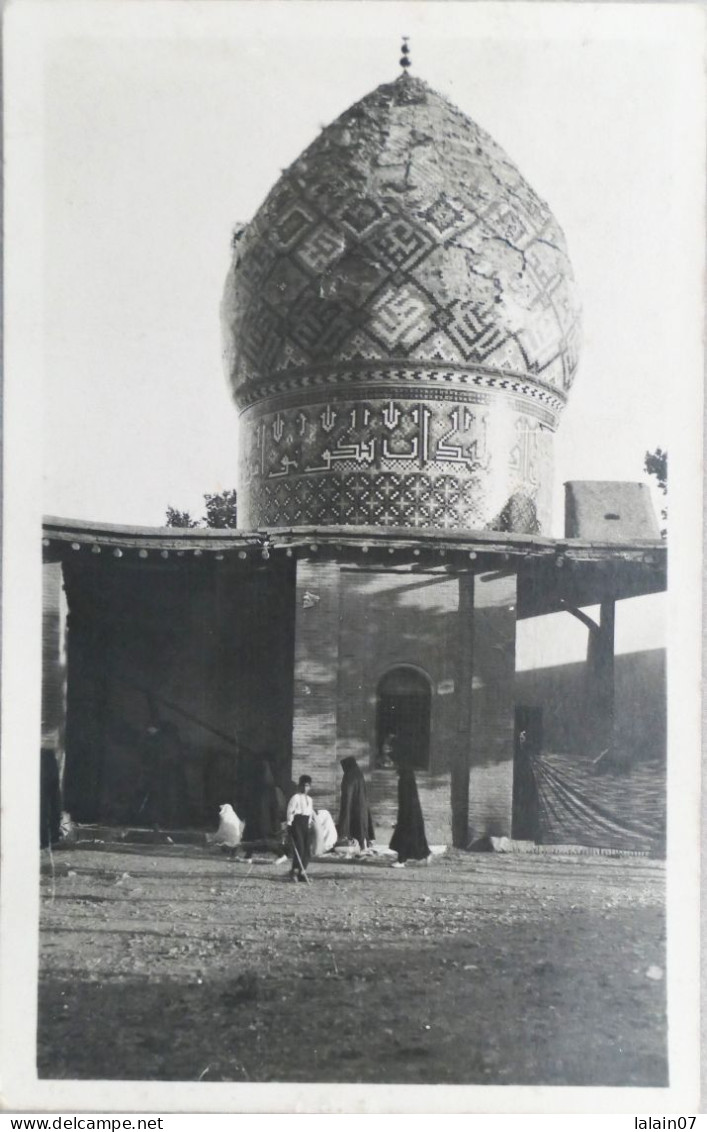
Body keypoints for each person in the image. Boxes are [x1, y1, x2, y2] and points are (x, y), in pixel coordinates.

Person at [389, 757, 431, 868]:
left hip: (407, 814)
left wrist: (402, 817)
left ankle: (401, 860)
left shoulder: (404, 780)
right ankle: (426, 854)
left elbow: (405, 800)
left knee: (404, 836)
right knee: (416, 836)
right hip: (413, 813)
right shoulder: (408, 779)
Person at [336, 756, 375, 853]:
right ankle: (364, 845)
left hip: (353, 806)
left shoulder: (348, 775)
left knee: (353, 825)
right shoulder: (359, 774)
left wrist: (345, 809)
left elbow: (347, 793)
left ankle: (358, 846)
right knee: (361, 826)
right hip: (362, 805)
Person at [286, 775, 314, 882]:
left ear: (310, 787)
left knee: (307, 849)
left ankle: (303, 871)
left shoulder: (310, 800)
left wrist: (310, 824)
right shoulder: (295, 797)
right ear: (300, 786)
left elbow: (310, 813)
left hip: (306, 824)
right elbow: (290, 811)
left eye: (307, 786)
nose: (305, 788)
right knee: (300, 848)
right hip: (297, 823)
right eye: (303, 785)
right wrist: (289, 824)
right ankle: (295, 871)